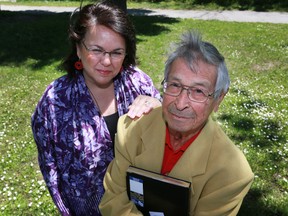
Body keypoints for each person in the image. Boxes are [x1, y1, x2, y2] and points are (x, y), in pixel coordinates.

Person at [99, 30, 254, 216]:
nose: (180, 104)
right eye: (175, 85)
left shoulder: (232, 174)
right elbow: (113, 201)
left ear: (218, 99)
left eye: (198, 91)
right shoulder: (130, 129)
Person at [31, 1, 161, 215]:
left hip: (138, 203)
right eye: (97, 50)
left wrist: (158, 105)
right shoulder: (55, 101)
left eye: (117, 52)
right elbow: (51, 170)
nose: (107, 61)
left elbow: (170, 133)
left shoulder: (138, 83)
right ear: (78, 49)